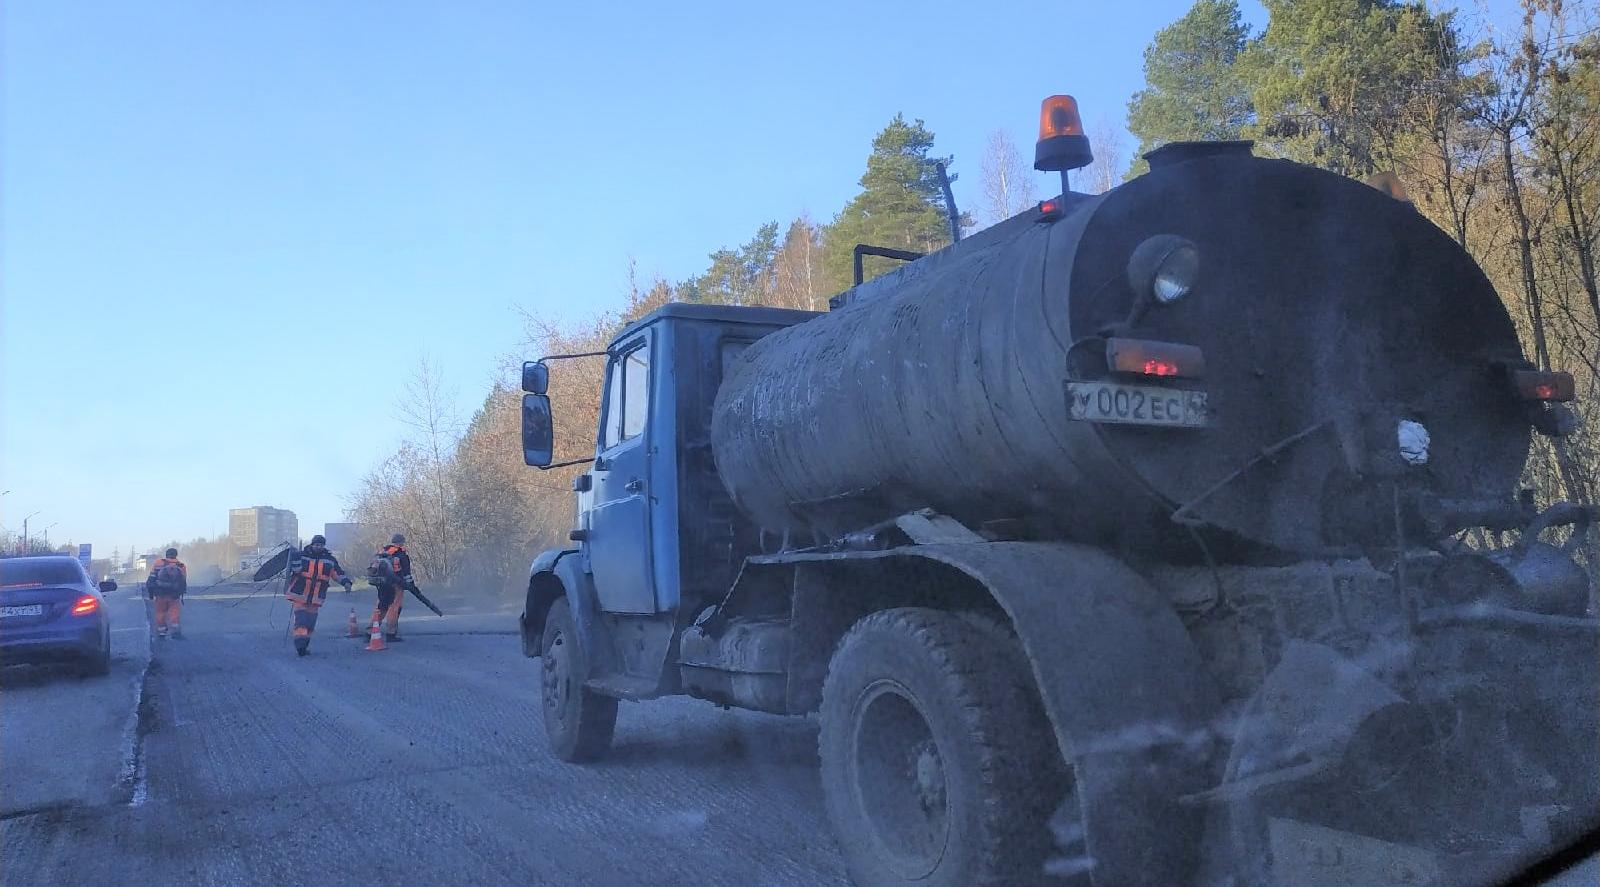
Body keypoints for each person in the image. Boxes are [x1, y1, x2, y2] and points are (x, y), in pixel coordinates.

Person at [285, 535, 353, 656]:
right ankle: (300, 646)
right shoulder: (302, 556)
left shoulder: (329, 560)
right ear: (312, 544)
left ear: (323, 546)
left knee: (310, 623)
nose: (318, 547)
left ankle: (305, 646)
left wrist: (346, 582)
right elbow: (295, 570)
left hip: (316, 597)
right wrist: (294, 557)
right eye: (316, 544)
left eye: (320, 545)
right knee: (301, 621)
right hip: (300, 594)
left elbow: (337, 573)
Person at [370, 533, 412, 643]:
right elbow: (407, 574)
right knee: (394, 608)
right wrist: (410, 585)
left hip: (382, 585)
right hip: (396, 586)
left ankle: (370, 632)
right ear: (402, 542)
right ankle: (391, 633)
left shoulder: (382, 552)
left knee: (380, 607)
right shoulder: (401, 555)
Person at [145, 548, 187, 639]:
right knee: (174, 613)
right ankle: (175, 633)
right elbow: (183, 582)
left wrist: (151, 594)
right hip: (174, 595)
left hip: (160, 594)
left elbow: (151, 579)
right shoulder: (181, 565)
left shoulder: (158, 563)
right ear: (176, 555)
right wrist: (181, 593)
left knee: (160, 613)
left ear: (166, 554)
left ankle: (161, 633)